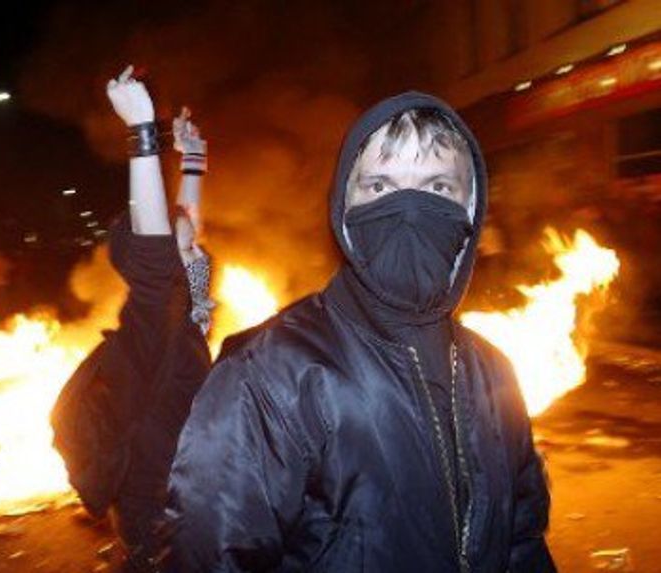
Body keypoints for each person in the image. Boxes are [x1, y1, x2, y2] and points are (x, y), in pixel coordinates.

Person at [166, 93, 555, 572]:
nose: (408, 210)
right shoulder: (270, 375)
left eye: (437, 187)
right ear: (343, 209)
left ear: (470, 212)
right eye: (379, 186)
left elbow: (523, 542)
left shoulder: (494, 371)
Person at [51, 66, 213, 571]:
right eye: (184, 247)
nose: (197, 249)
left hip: (185, 510)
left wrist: (192, 162)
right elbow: (158, 249)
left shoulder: (187, 315)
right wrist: (142, 133)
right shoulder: (151, 329)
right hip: (161, 531)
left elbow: (184, 228)